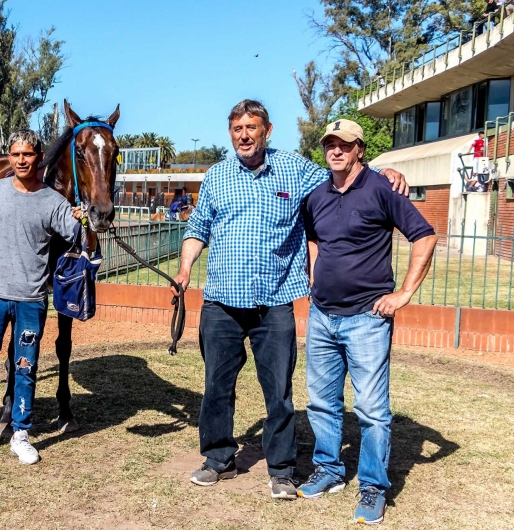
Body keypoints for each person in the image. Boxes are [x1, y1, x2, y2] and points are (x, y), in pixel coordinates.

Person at [171, 99, 408, 500]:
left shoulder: (296, 169)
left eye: (251, 128)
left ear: (267, 131)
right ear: (230, 133)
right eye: (236, 129)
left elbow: (343, 176)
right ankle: (218, 458)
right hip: (221, 304)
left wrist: (383, 172)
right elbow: (198, 227)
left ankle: (281, 469)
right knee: (216, 386)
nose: (244, 135)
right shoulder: (216, 176)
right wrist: (185, 269)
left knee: (278, 391)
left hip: (275, 302)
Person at [299, 119, 437, 524]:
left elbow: (424, 237)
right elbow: (314, 237)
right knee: (322, 402)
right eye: (330, 144)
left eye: (344, 144)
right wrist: (314, 276)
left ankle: (373, 487)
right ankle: (329, 469)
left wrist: (404, 294)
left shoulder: (381, 188)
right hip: (323, 317)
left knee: (372, 410)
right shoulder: (317, 195)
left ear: (360, 149)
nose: (336, 151)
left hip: (367, 320)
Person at [0, 129, 82, 466]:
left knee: (25, 368)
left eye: (28, 154)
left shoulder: (53, 201)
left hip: (31, 299)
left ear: (39, 157)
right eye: (16, 154)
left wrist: (84, 217)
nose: (21, 160)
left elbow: (76, 234)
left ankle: (21, 433)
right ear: (9, 156)